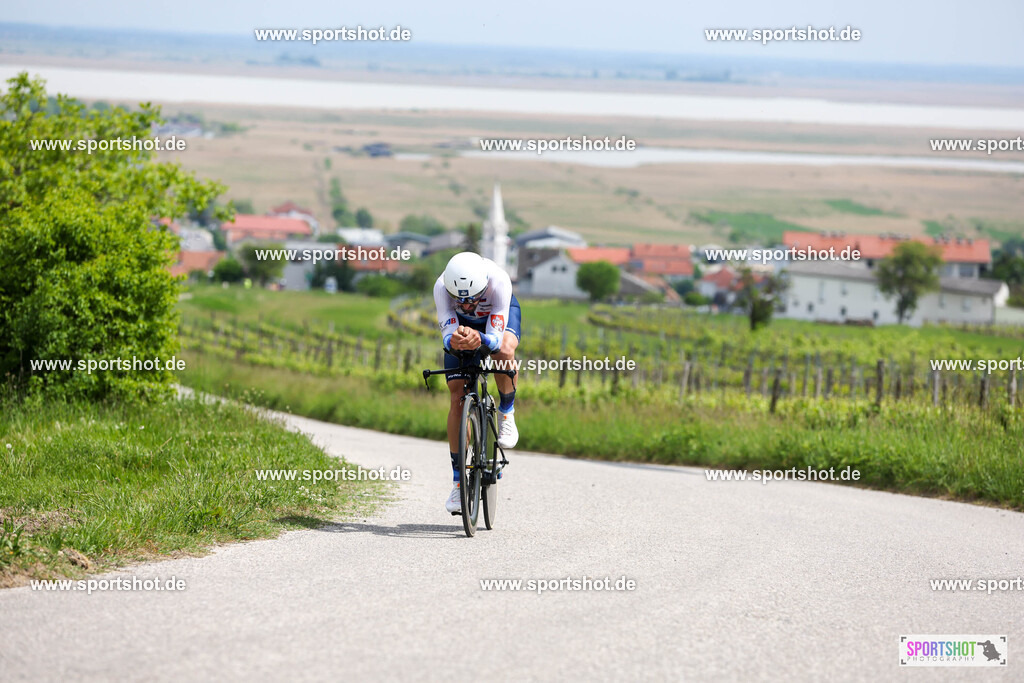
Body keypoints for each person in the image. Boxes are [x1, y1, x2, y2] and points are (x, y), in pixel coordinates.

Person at [433, 251, 521, 514]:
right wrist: (454, 340)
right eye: (461, 300)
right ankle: (459, 483)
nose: (468, 304)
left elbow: (494, 339)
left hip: (495, 319)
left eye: (473, 298)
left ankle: (507, 413)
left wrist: (480, 339)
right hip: (463, 327)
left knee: (504, 351)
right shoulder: (441, 287)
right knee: (457, 397)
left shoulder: (499, 281)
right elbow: (447, 333)